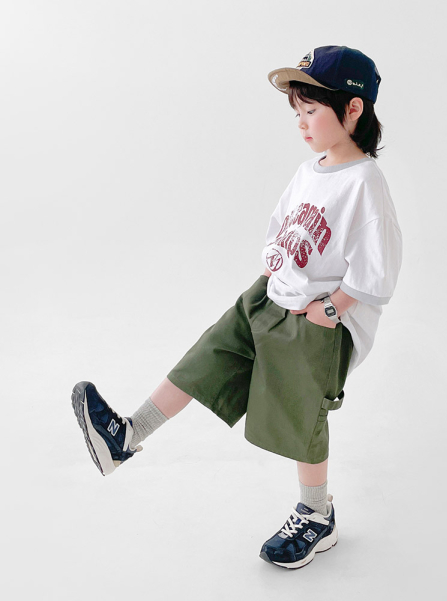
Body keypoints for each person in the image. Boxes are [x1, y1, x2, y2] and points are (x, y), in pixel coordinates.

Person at [71, 45, 403, 570]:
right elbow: (280, 225)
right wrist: (273, 271)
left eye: (311, 110)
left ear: (353, 109)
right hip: (272, 294)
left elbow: (378, 267)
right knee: (209, 354)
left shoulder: (365, 182)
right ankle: (126, 436)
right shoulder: (310, 170)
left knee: (302, 413)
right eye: (297, 112)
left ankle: (317, 514)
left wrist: (332, 310)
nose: (301, 122)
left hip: (318, 320)